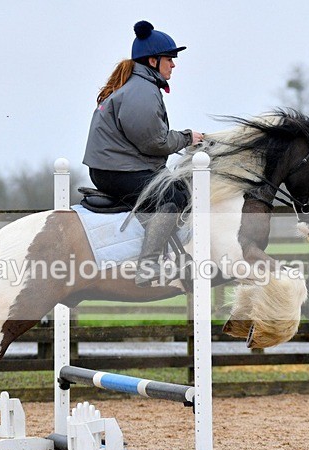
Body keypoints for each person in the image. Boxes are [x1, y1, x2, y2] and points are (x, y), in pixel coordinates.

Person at [83, 20, 204, 287]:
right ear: (153, 60)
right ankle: (147, 266)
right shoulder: (142, 91)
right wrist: (186, 138)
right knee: (173, 195)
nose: (173, 64)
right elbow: (154, 143)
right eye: (169, 59)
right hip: (117, 170)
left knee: (173, 188)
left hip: (117, 167)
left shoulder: (140, 86)